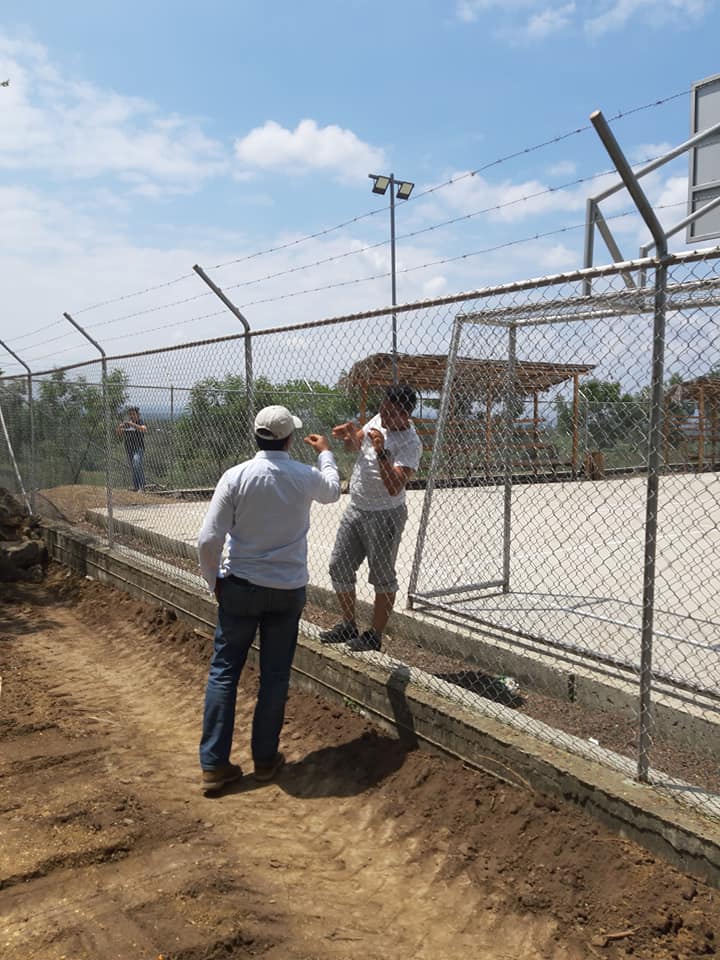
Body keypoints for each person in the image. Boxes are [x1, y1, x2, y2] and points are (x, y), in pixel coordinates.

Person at [197, 404, 340, 795]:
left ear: (256, 435)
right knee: (275, 676)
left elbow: (209, 539)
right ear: (290, 439)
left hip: (240, 586)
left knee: (225, 671)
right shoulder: (304, 476)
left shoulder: (236, 476)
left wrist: (214, 581)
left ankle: (214, 765)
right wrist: (326, 453)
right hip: (287, 590)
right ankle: (264, 760)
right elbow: (332, 491)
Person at [320, 383, 422, 652]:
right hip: (356, 508)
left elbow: (394, 486)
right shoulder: (378, 419)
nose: (383, 416)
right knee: (339, 566)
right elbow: (355, 446)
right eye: (383, 410)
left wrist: (381, 451)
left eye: (391, 413)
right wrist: (349, 435)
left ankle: (374, 635)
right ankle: (348, 624)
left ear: (406, 414)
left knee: (382, 577)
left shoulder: (411, 444)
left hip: (385, 515)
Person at [118, 406, 147, 492]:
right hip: (129, 448)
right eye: (130, 414)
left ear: (137, 415)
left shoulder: (140, 422)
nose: (132, 416)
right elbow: (119, 434)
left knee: (137, 463)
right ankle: (136, 486)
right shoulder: (127, 424)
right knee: (134, 467)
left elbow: (144, 429)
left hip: (138, 448)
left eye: (134, 414)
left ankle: (142, 486)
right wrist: (120, 428)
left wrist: (133, 425)